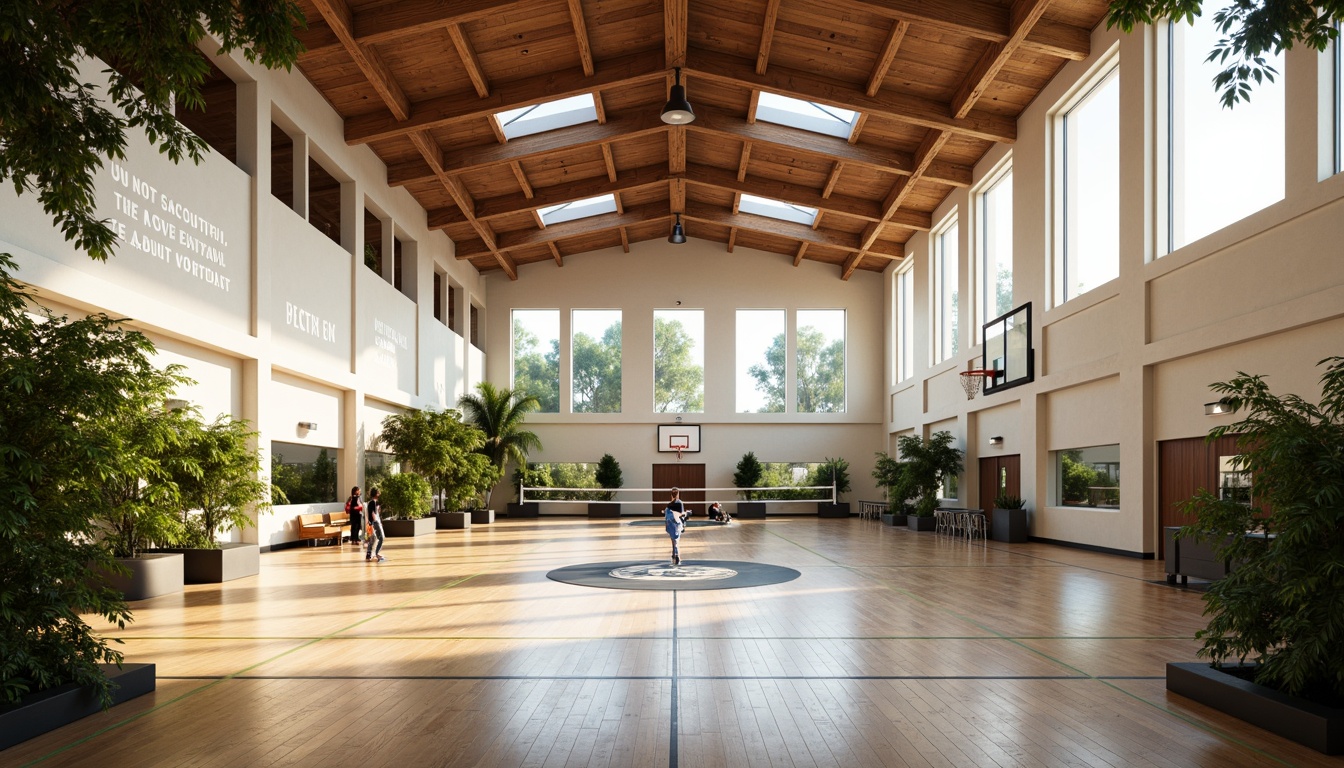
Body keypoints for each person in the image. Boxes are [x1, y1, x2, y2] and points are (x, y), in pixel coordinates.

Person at [664, 487, 689, 565]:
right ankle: (677, 555)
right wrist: (687, 513)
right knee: (677, 540)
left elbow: (666, 516)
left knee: (673, 540)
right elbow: (681, 514)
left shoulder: (669, 505)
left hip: (670, 524)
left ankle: (673, 554)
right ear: (678, 494)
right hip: (677, 523)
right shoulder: (680, 503)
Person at [365, 487, 385, 562]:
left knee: (373, 539)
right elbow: (373, 513)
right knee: (381, 537)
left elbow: (374, 512)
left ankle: (369, 554)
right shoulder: (372, 502)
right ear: (376, 494)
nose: (379, 494)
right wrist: (376, 522)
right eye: (378, 493)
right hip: (374, 523)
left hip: (373, 522)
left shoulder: (373, 502)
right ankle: (377, 553)